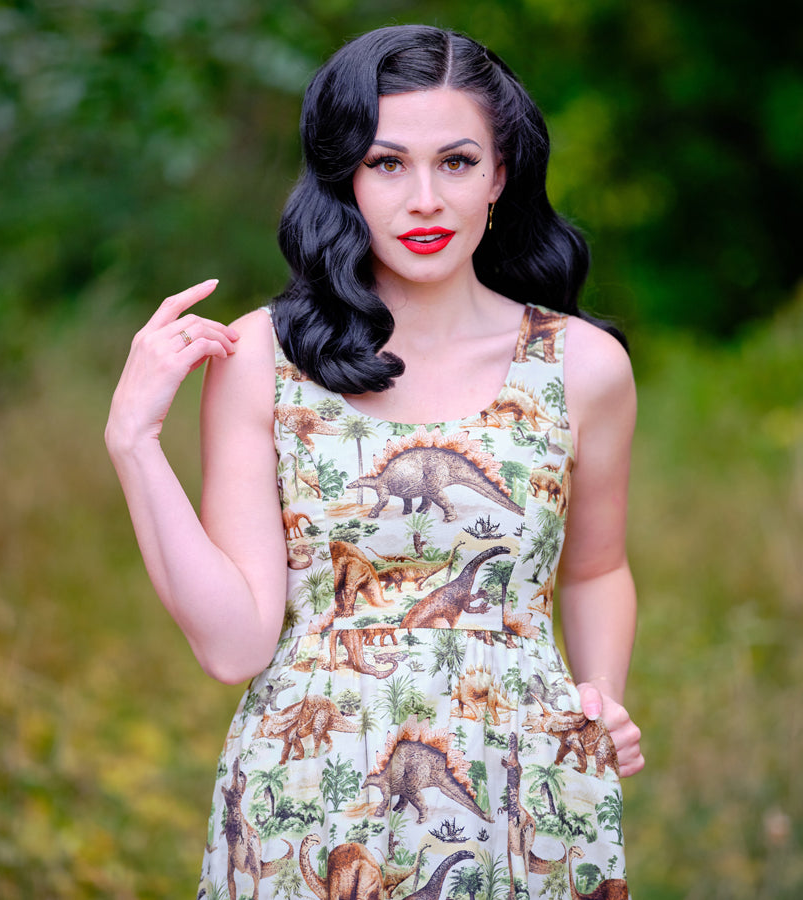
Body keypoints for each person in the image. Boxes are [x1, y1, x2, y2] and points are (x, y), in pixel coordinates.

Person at [106, 24, 643, 900]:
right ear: (345, 176)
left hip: (527, 786)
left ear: (500, 175)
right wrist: (133, 443)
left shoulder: (581, 367)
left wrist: (601, 697)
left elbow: (596, 569)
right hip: (308, 794)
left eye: (457, 162)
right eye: (387, 163)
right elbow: (235, 644)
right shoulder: (263, 358)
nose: (424, 198)